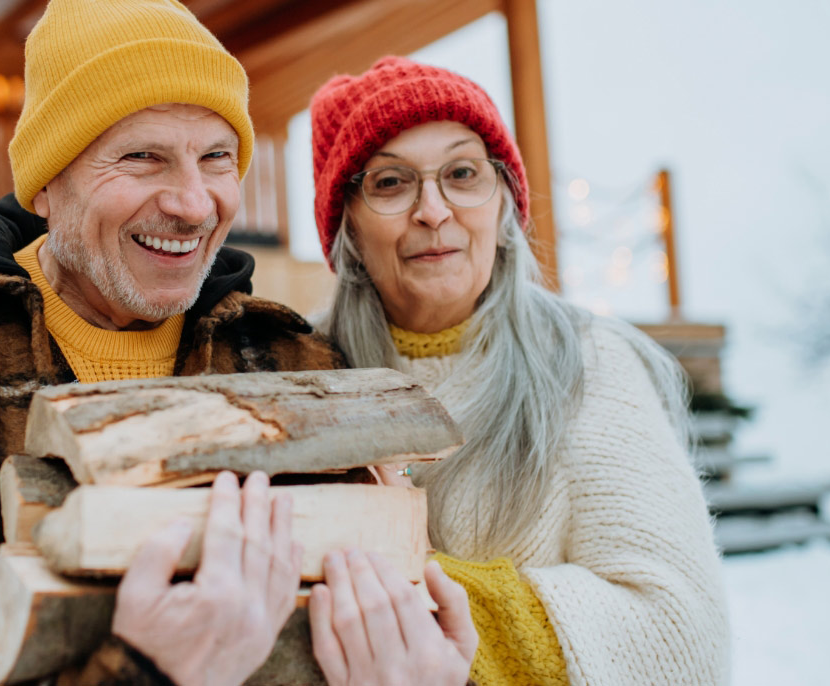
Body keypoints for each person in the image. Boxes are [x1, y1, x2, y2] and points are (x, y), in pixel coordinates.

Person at [0, 3, 479, 685]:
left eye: (216, 157)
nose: (191, 202)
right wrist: (145, 674)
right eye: (142, 157)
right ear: (47, 186)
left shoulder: (296, 366)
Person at [303, 56, 730, 685]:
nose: (433, 209)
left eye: (462, 173)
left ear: (504, 202)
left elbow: (681, 637)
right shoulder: (300, 377)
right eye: (391, 183)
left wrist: (419, 599)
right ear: (348, 227)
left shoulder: (588, 363)